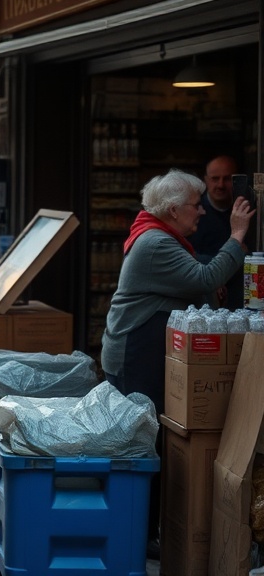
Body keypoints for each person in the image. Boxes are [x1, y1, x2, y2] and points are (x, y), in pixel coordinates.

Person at [101, 168, 253, 558]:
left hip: (135, 351)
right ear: (172, 210)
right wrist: (237, 235)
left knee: (143, 440)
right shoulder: (155, 243)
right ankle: (139, 533)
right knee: (141, 443)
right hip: (134, 354)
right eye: (194, 205)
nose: (201, 211)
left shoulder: (158, 234)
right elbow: (205, 276)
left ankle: (142, 529)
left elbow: (197, 270)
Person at [188, 155, 253, 309]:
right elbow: (187, 256)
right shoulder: (193, 212)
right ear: (205, 180)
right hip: (205, 297)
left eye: (227, 178)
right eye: (215, 178)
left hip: (244, 293)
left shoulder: (250, 211)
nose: (221, 185)